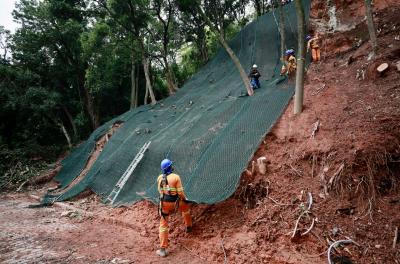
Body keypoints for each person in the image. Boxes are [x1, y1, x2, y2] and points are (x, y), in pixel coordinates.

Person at [156, 159, 192, 257]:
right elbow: (180, 192)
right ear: (169, 167)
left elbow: (160, 192)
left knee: (163, 225)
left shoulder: (160, 178)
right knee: (185, 209)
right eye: (171, 165)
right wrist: (185, 199)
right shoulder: (176, 177)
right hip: (176, 202)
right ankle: (189, 226)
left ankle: (162, 249)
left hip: (164, 204)